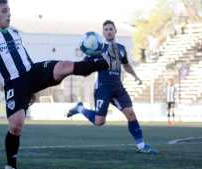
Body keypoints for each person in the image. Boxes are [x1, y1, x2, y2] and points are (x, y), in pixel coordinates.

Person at [0, 1, 109, 169]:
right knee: (16, 126)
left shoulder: (14, 32)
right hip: (14, 83)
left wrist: (33, 87)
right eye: (4, 11)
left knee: (63, 67)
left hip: (31, 71)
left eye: (9, 10)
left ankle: (104, 63)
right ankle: (11, 165)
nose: (9, 14)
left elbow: (23, 56)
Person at [67, 20, 157, 154]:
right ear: (103, 33)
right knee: (99, 122)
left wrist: (135, 76)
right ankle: (80, 108)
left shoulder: (121, 48)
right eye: (106, 29)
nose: (108, 31)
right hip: (103, 88)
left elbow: (126, 65)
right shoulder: (97, 49)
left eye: (111, 29)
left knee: (131, 114)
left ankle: (142, 146)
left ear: (115, 31)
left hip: (118, 87)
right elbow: (85, 65)